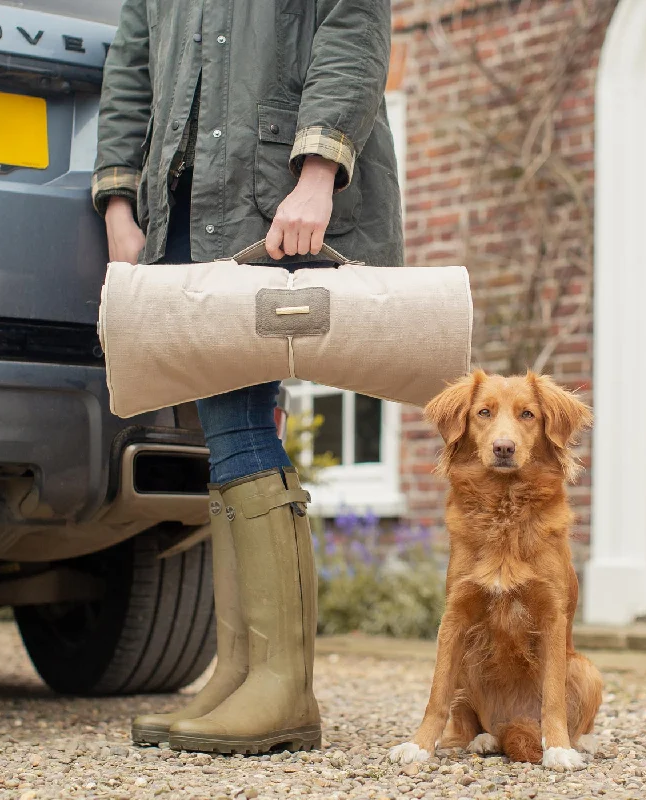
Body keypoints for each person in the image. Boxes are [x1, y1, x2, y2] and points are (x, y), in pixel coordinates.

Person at [92, 0, 404, 755]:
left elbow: (352, 28)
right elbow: (130, 68)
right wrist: (119, 199)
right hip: (184, 204)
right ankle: (242, 671)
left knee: (239, 413)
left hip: (274, 195)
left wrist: (318, 174)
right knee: (227, 421)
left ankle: (280, 686)